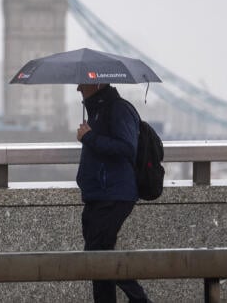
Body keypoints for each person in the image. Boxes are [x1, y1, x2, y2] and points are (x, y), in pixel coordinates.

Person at [75, 83, 150, 303]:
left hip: (115, 195)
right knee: (98, 255)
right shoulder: (97, 111)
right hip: (97, 195)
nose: (78, 88)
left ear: (97, 83)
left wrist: (89, 137)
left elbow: (127, 147)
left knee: (98, 255)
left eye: (82, 84)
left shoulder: (118, 108)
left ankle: (140, 299)